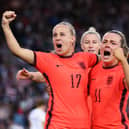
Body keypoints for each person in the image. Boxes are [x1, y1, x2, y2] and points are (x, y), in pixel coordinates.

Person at [2, 10, 99, 129]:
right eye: (55, 35)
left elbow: (110, 59)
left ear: (72, 39)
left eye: (62, 34)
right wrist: (5, 26)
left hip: (83, 124)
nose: (57, 38)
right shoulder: (48, 60)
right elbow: (17, 50)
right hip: (57, 124)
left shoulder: (85, 58)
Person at [89, 30, 129, 129]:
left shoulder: (123, 70)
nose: (107, 45)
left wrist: (123, 60)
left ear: (121, 50)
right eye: (105, 41)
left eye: (113, 43)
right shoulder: (94, 69)